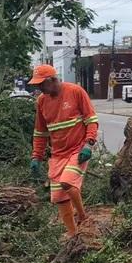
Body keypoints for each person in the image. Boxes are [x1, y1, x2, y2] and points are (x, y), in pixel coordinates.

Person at [28, 64, 99, 237]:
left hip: (78, 150)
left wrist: (88, 144)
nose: (39, 88)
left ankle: (83, 217)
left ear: (52, 80)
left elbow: (91, 119)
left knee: (67, 182)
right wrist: (36, 156)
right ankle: (73, 234)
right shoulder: (42, 101)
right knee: (59, 197)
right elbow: (40, 132)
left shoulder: (75, 92)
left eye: (41, 84)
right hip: (58, 154)